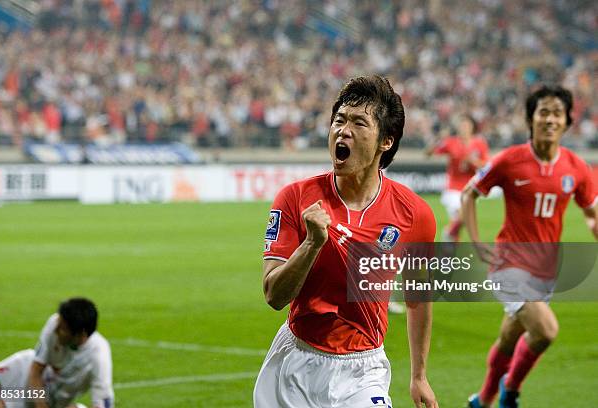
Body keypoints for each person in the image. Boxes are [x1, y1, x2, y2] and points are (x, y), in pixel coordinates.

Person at [254, 75, 439, 408]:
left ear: (386, 140)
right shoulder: (295, 198)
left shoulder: (415, 214)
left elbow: (418, 299)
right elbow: (274, 295)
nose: (344, 130)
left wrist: (419, 375)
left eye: (359, 122)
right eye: (339, 120)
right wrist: (311, 244)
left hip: (363, 371)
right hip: (294, 365)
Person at [461, 85, 597, 408]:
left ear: (567, 123)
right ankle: (511, 391)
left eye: (557, 113)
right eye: (543, 112)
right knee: (546, 330)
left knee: (509, 339)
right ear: (531, 119)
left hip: (545, 271)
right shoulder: (510, 160)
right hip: (509, 266)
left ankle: (483, 399)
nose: (550, 119)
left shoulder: (577, 168)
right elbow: (470, 193)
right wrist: (478, 242)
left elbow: (592, 213)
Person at [0, 298, 114, 408]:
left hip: (47, 396)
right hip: (26, 371)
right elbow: (36, 369)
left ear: (81, 334)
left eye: (63, 329)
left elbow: (103, 400)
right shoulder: (55, 323)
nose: (57, 330)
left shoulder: (99, 356)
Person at [426, 114, 489, 242]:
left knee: (459, 222)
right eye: (462, 125)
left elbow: (486, 165)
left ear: (472, 128)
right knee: (463, 214)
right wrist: (438, 139)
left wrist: (474, 161)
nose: (464, 128)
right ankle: (449, 236)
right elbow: (428, 153)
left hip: (471, 188)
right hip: (453, 187)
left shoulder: (480, 144)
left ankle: (449, 240)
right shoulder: (451, 142)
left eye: (466, 125)